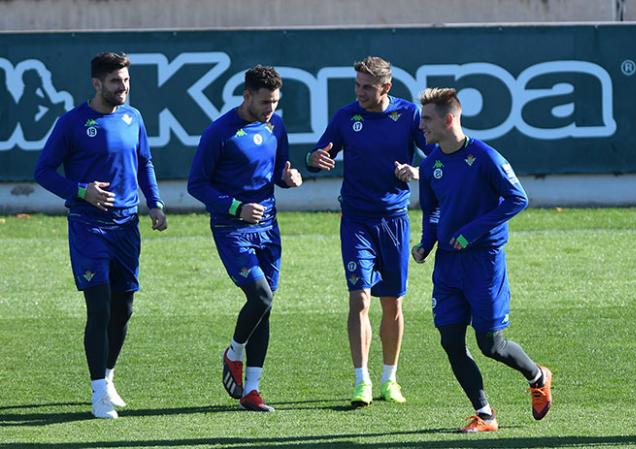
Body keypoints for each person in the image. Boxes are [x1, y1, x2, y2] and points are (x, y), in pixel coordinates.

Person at [34, 52, 167, 420]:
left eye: (126, 80)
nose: (123, 87)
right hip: (88, 225)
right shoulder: (72, 123)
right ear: (97, 84)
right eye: (115, 82)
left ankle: (108, 378)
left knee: (123, 309)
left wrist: (153, 203)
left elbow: (144, 162)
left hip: (126, 227)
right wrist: (81, 191)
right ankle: (97, 394)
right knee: (100, 306)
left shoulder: (133, 117)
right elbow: (43, 171)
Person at [412, 87, 553, 432]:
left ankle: (537, 376)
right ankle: (485, 414)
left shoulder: (486, 156)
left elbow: (517, 199)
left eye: (427, 120)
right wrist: (426, 244)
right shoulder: (430, 165)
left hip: (483, 262)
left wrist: (472, 231)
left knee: (490, 344)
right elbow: (431, 212)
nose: (422, 127)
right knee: (450, 340)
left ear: (449, 119)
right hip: (447, 265)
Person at [306, 56, 432, 408]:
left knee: (392, 303)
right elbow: (319, 151)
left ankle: (389, 379)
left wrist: (418, 171)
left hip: (394, 221)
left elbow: (438, 156)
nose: (360, 92)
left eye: (367, 87)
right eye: (357, 85)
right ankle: (361, 381)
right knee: (360, 298)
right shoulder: (347, 117)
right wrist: (314, 159)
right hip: (356, 221)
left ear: (386, 88)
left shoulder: (407, 115)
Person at [188, 65, 302, 412]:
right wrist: (236, 207)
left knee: (263, 308)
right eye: (265, 102)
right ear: (247, 95)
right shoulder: (219, 132)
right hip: (232, 229)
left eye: (276, 102)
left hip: (269, 228)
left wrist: (290, 177)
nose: (271, 109)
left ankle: (251, 391)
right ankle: (233, 353)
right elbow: (197, 185)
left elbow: (280, 169)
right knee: (260, 296)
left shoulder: (275, 125)